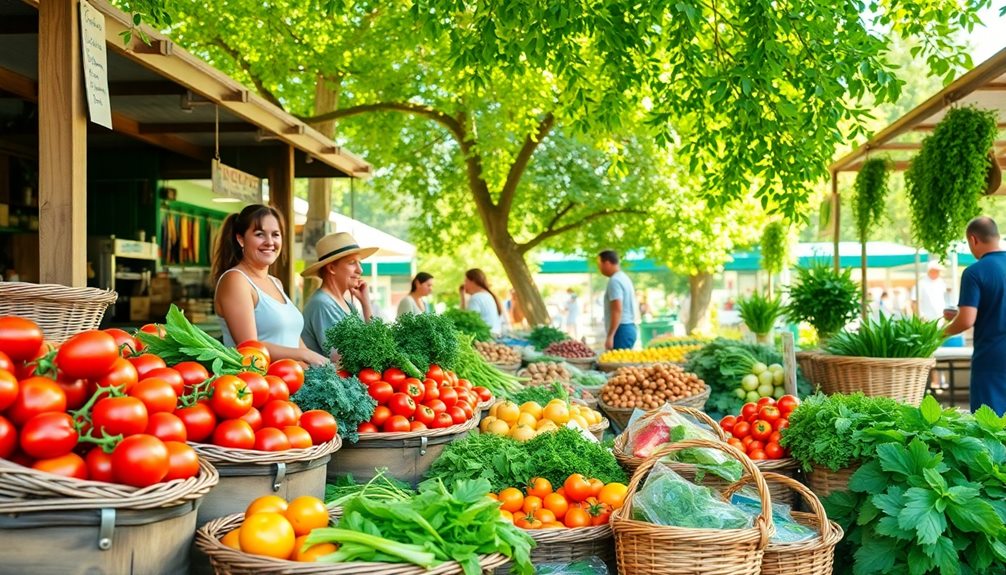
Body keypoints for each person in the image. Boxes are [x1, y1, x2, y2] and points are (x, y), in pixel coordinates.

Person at [212, 204, 326, 365]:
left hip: (292, 383)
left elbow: (294, 341)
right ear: (240, 239)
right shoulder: (236, 280)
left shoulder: (275, 283)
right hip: (260, 386)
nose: (270, 242)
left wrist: (317, 367)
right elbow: (249, 348)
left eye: (275, 234)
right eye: (260, 234)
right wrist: (303, 355)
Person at [944, 216, 1006, 415]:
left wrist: (939, 334)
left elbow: (966, 320)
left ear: (973, 239)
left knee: (990, 426)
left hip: (992, 358)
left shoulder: (974, 272)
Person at [300, 231, 379, 356]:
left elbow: (375, 345)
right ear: (331, 268)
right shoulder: (322, 304)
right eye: (352, 263)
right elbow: (345, 358)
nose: (360, 270)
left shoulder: (347, 305)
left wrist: (366, 304)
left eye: (360, 263)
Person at [598, 250, 638, 350]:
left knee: (618, 365)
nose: (599, 268)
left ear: (607, 263)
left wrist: (610, 335)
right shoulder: (624, 277)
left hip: (621, 330)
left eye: (600, 264)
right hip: (628, 328)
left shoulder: (614, 281)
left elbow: (617, 309)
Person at [459, 269, 502, 336]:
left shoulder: (476, 298)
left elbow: (468, 322)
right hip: (496, 333)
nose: (464, 284)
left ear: (473, 281)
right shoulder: (487, 295)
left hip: (486, 336)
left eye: (466, 281)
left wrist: (462, 298)